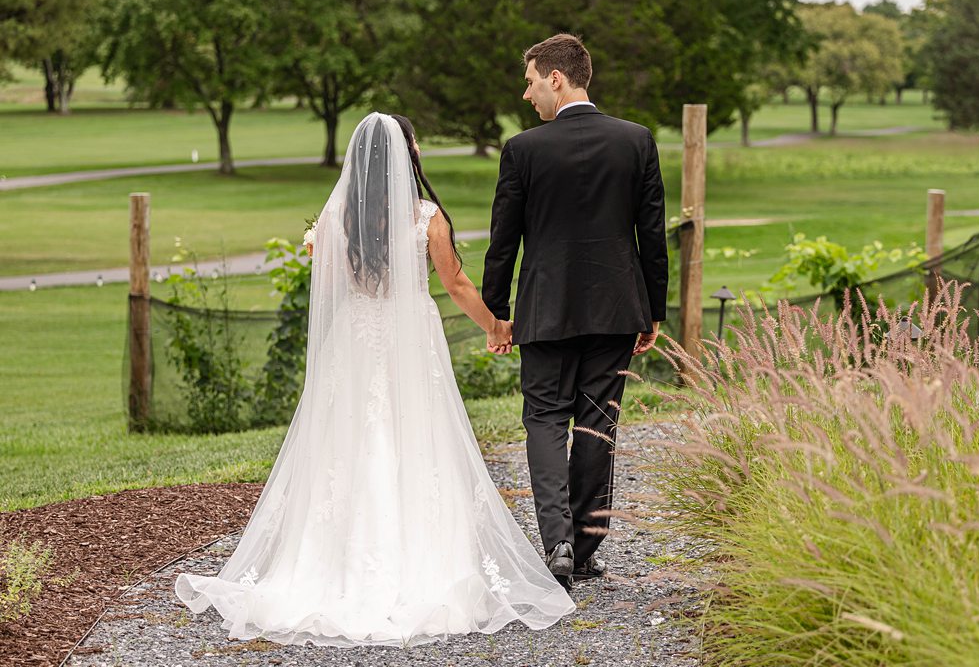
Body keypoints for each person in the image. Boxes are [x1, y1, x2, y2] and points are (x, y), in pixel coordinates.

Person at [175, 112, 574, 647]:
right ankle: (424, 557)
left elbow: (329, 277)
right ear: (406, 154)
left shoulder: (337, 215)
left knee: (348, 439)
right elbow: (454, 283)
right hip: (408, 336)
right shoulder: (426, 216)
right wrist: (498, 326)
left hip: (355, 337)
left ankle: (331, 559)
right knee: (415, 436)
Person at [482, 33, 669, 590]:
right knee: (596, 424)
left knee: (544, 419)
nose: (527, 93)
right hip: (617, 308)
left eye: (533, 81)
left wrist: (497, 311)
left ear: (557, 79)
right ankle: (586, 550)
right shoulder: (636, 141)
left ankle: (557, 541)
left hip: (544, 311)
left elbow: (503, 241)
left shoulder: (523, 150)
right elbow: (651, 234)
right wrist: (652, 309)